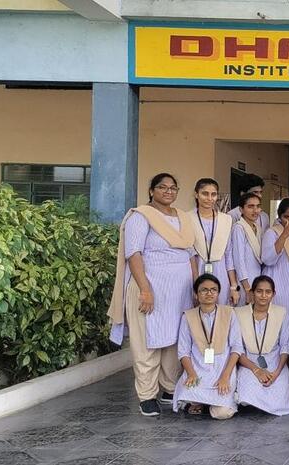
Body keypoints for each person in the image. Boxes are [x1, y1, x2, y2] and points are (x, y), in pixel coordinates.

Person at [107, 173, 195, 416]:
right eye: (162, 187)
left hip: (179, 292)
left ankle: (169, 388)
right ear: (151, 190)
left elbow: (191, 255)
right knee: (147, 340)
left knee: (173, 339)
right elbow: (133, 254)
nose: (168, 191)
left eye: (173, 188)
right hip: (149, 287)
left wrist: (196, 286)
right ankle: (146, 395)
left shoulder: (183, 217)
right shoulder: (140, 216)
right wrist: (145, 289)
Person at [173, 274, 241, 419]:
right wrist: (191, 373)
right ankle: (199, 401)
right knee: (189, 392)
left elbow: (236, 348)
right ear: (196, 294)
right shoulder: (188, 316)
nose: (209, 293)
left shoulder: (229, 313)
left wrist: (226, 376)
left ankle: (205, 403)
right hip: (198, 367)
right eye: (204, 290)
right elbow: (183, 351)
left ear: (218, 293)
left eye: (213, 290)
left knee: (222, 413)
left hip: (222, 368)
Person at [234, 276, 289, 415]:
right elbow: (237, 349)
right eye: (259, 291)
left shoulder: (281, 312)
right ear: (252, 293)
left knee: (280, 395)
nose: (263, 295)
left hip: (275, 362)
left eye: (268, 292)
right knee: (247, 392)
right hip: (249, 363)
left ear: (273, 294)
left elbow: (285, 346)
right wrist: (257, 370)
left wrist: (277, 372)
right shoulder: (239, 313)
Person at [191, 178, 239, 306]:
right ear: (196, 194)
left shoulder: (226, 220)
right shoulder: (187, 218)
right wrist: (195, 282)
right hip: (196, 271)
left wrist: (233, 286)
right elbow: (188, 253)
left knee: (220, 310)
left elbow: (228, 254)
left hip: (220, 271)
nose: (209, 198)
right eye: (205, 194)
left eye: (213, 194)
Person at [261, 199, 289, 320]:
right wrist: (285, 234)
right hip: (279, 282)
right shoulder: (272, 232)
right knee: (280, 316)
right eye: (287, 217)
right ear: (280, 216)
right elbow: (267, 259)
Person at [232, 193, 265, 303]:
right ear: (241, 209)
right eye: (250, 207)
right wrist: (247, 287)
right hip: (244, 281)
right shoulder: (238, 228)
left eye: (258, 206)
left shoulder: (257, 227)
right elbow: (238, 260)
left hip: (257, 277)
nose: (255, 210)